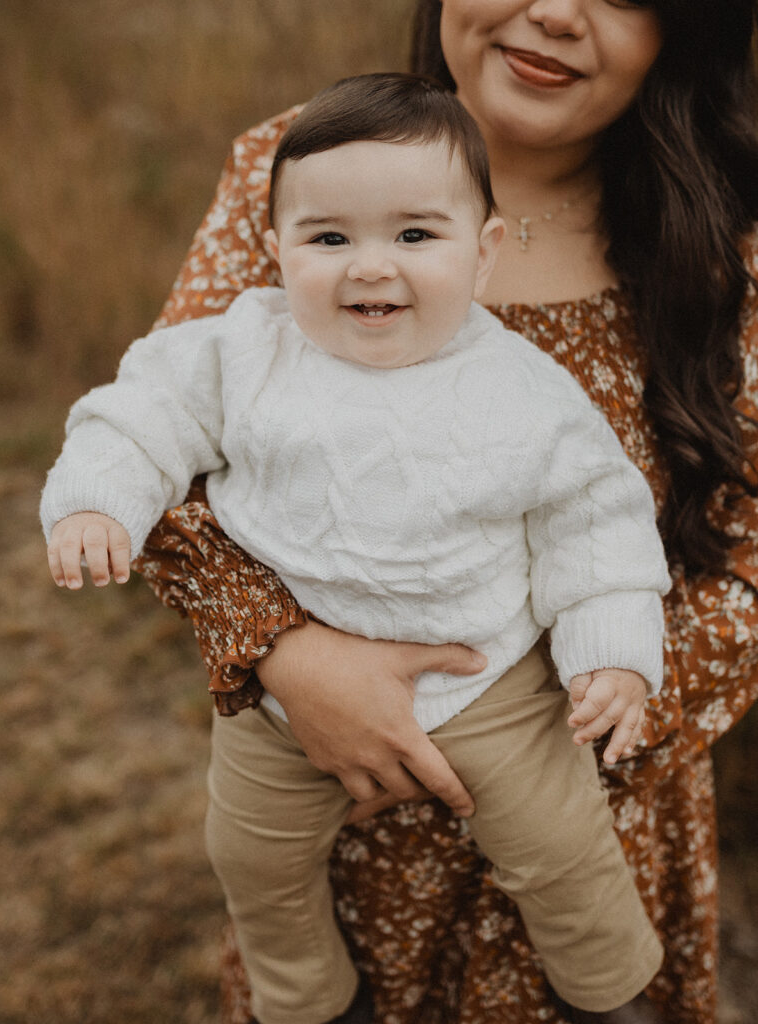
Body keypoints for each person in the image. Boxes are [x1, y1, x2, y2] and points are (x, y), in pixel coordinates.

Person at [92, 1, 758, 1022]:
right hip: (336, 807)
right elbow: (172, 434)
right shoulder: (301, 160)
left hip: (591, 813)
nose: (550, 11)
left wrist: (585, 709)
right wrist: (282, 653)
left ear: (686, 28)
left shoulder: (722, 235)